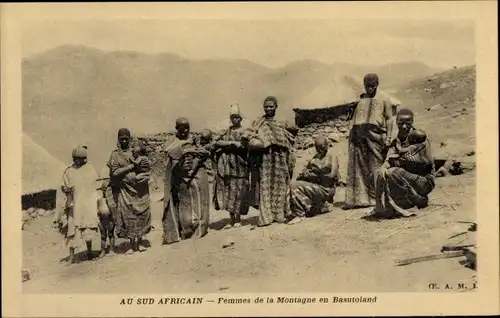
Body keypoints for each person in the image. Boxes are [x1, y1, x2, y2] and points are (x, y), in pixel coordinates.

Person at [242, 96, 298, 227]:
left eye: (271, 106)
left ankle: (281, 215)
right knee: (266, 186)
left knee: (282, 185)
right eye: (266, 106)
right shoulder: (259, 122)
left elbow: (291, 136)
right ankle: (266, 217)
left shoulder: (280, 123)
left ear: (276, 107)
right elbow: (247, 136)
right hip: (266, 158)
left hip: (280, 158)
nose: (268, 109)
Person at [344, 73, 397, 210]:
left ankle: (377, 197)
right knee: (358, 168)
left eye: (372, 86)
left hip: (376, 135)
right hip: (358, 136)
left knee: (375, 166)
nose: (369, 89)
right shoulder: (360, 99)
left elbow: (390, 119)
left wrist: (389, 137)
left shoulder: (385, 99)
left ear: (377, 84)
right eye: (367, 86)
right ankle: (360, 199)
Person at [370, 109, 435, 219]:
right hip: (406, 176)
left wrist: (400, 162)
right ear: (396, 122)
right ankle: (390, 206)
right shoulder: (396, 141)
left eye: (408, 123)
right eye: (401, 123)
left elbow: (425, 164)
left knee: (394, 172)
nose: (404, 126)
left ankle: (417, 199)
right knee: (379, 173)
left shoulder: (420, 138)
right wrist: (384, 167)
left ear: (412, 122)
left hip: (424, 180)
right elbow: (389, 159)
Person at [162, 117, 211, 244]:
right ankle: (185, 231)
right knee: (185, 206)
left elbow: (204, 152)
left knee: (200, 203)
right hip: (180, 177)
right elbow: (170, 153)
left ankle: (200, 229)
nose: (185, 131)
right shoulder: (172, 141)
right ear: (176, 128)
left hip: (197, 173)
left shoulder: (194, 139)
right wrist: (187, 150)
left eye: (187, 128)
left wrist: (198, 156)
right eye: (182, 129)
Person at [106, 128, 152, 254]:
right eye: (122, 139)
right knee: (129, 215)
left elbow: (146, 167)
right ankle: (132, 244)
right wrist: (131, 166)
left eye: (127, 138)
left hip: (140, 189)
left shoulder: (136, 152)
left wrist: (144, 175)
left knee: (141, 213)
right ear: (118, 140)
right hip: (125, 190)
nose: (125, 141)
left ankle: (140, 240)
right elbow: (114, 172)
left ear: (130, 139)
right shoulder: (115, 155)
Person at [287, 135, 340, 225]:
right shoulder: (315, 157)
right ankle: (319, 207)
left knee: (295, 186)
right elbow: (306, 172)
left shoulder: (332, 156)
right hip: (316, 186)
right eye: (318, 148)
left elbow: (332, 176)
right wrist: (305, 174)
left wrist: (315, 174)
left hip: (326, 189)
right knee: (293, 185)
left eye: (322, 147)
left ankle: (300, 214)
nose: (320, 150)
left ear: (327, 145)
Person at [60, 144, 100, 264]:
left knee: (87, 227)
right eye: (75, 160)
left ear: (84, 159)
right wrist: (66, 189)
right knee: (72, 229)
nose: (77, 162)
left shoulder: (90, 169)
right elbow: (63, 186)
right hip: (74, 203)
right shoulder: (69, 171)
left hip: (87, 204)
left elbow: (95, 184)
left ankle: (89, 252)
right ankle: (71, 257)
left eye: (80, 160)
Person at [212, 104, 250, 229]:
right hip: (228, 166)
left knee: (239, 192)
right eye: (233, 117)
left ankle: (238, 219)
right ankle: (232, 219)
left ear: (241, 119)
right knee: (229, 192)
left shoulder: (245, 132)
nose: (235, 120)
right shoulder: (226, 131)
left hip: (240, 166)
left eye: (238, 117)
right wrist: (231, 143)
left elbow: (244, 145)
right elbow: (216, 142)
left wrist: (235, 145)